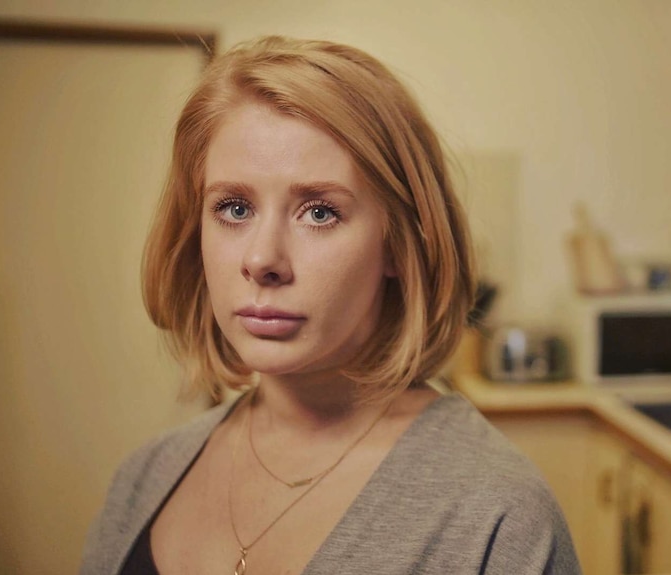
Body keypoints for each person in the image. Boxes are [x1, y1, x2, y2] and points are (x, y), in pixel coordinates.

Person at [80, 35, 580, 575]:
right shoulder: (143, 479)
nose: (262, 258)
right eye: (234, 207)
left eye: (319, 212)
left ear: (397, 242)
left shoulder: (497, 517)